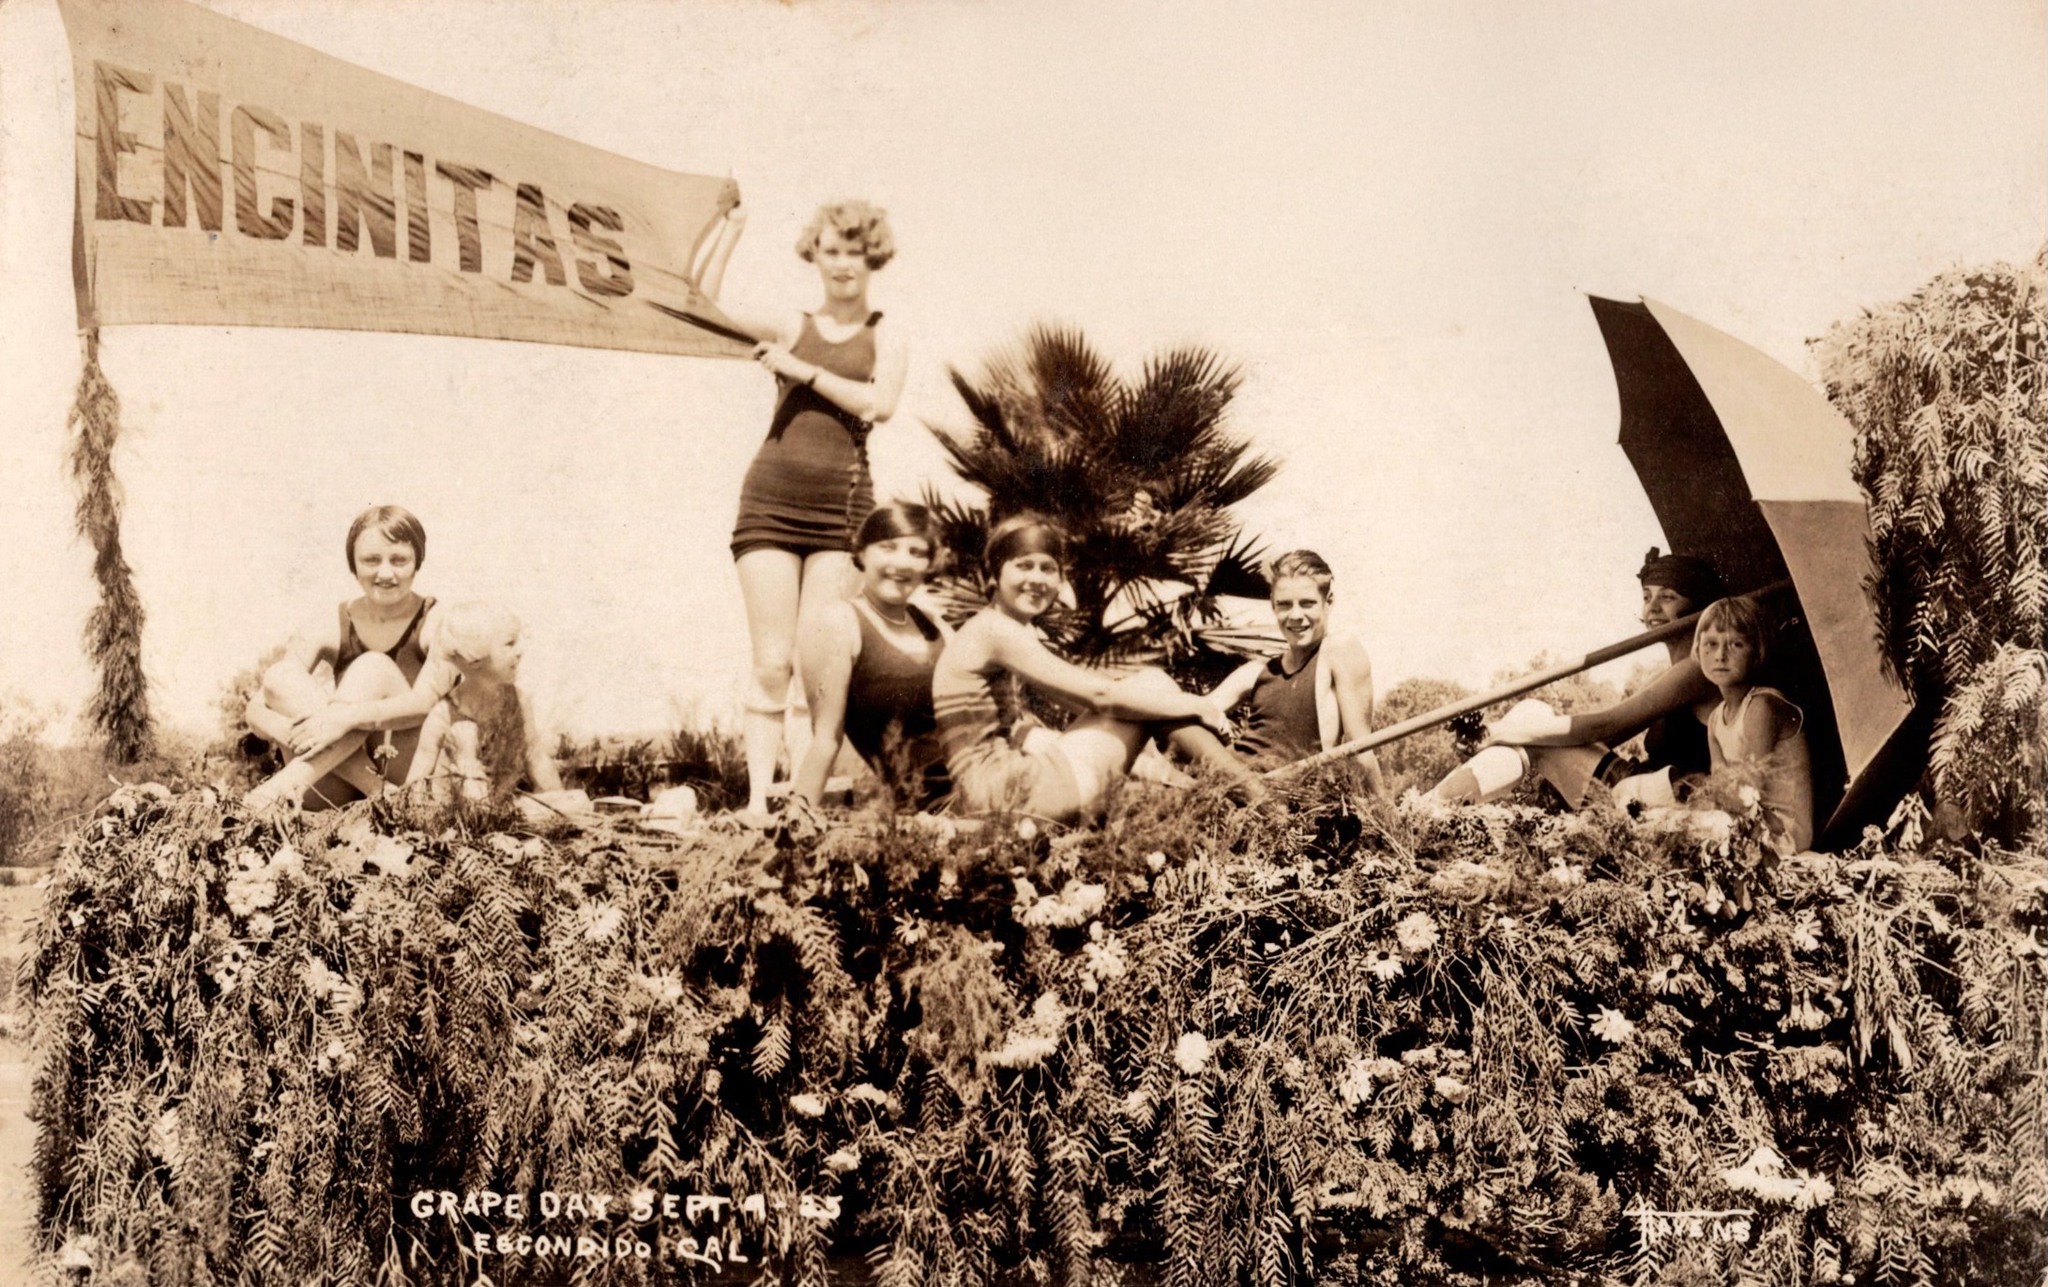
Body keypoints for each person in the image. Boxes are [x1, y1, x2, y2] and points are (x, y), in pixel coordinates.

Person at [715, 200, 911, 823]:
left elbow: (879, 405)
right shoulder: (790, 323)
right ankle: (755, 803)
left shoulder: (887, 333)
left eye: (855, 252)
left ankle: (804, 801)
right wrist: (730, 233)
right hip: (770, 504)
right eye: (832, 251)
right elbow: (708, 309)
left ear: (871, 258)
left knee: (816, 665)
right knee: (771, 662)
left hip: (844, 515)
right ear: (815, 257)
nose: (844, 264)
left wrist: (802, 371)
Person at [931, 513, 1258, 823]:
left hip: (991, 794)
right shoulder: (995, 630)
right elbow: (1100, 696)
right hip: (1006, 793)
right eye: (1023, 566)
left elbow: (1079, 706)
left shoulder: (1000, 628)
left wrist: (1155, 766)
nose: (1036, 579)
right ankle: (1259, 798)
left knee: (1146, 696)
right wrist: (1199, 704)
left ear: (1061, 579)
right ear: (995, 574)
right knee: (1153, 684)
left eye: (1048, 568)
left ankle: (1242, 788)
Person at [1431, 548, 1726, 809]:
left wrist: (1498, 733)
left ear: (1699, 608)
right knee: (1533, 716)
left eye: (1668, 597)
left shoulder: (1699, 670)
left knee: (1528, 722)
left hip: (1663, 802)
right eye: (1647, 597)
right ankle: (1433, 807)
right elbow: (1606, 735)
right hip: (1644, 791)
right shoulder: (1671, 672)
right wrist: (1507, 736)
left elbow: (1606, 723)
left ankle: (1427, 810)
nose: (1652, 609)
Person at [244, 505, 459, 810]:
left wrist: (346, 717)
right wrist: (288, 731)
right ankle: (379, 794)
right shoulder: (332, 621)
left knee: (373, 668)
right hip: (336, 783)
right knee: (280, 675)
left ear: (417, 562)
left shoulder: (437, 620)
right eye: (371, 560)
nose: (385, 573)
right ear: (353, 565)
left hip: (407, 771)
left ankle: (276, 790)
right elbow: (258, 705)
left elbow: (423, 703)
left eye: (399, 560)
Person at [788, 503, 953, 819]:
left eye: (916, 552)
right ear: (861, 552)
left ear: (929, 563)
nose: (902, 563)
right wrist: (797, 813)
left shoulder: (937, 626)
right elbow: (825, 740)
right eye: (888, 547)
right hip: (935, 804)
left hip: (987, 774)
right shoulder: (840, 622)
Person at [1205, 550, 1387, 794]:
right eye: (1284, 605)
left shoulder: (1338, 650)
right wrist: (1207, 715)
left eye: (1307, 603)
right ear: (1273, 605)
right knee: (1160, 695)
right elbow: (1196, 714)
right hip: (1229, 785)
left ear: (1328, 602)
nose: (1295, 615)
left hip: (1273, 799)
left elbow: (1360, 749)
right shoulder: (1258, 671)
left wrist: (1388, 821)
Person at [403, 601, 564, 806]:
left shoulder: (518, 702)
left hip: (501, 809)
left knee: (576, 802)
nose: (520, 651)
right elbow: (416, 782)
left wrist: (558, 797)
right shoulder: (444, 714)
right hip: (457, 813)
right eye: (509, 643)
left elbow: (536, 757)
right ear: (475, 659)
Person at [1694, 594, 1814, 854]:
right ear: (1697, 650)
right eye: (1710, 644)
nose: (1720, 656)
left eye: (1736, 644)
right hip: (1745, 819)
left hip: (1783, 831)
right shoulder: (1716, 719)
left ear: (1756, 652)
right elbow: (1719, 785)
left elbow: (1751, 792)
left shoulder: (1762, 706)